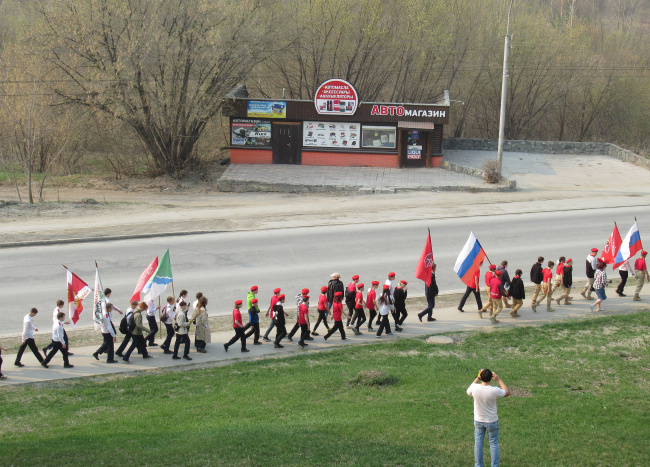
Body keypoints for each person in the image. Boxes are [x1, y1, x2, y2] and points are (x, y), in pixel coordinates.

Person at [467, 369, 510, 467]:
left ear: (481, 377)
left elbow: (468, 390)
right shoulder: (494, 390)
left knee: (478, 443)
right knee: (493, 443)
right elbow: (507, 392)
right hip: (492, 421)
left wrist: (477, 378)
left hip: (478, 420)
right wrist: (499, 379)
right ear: (491, 377)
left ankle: (478, 465)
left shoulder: (475, 388)